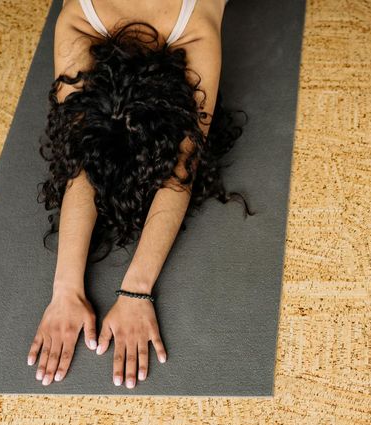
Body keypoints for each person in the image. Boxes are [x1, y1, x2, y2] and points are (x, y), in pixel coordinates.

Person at [27, 0, 240, 388]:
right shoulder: (79, 21)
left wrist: (137, 288)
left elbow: (183, 165)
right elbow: (81, 155)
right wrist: (66, 288)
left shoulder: (195, 27)